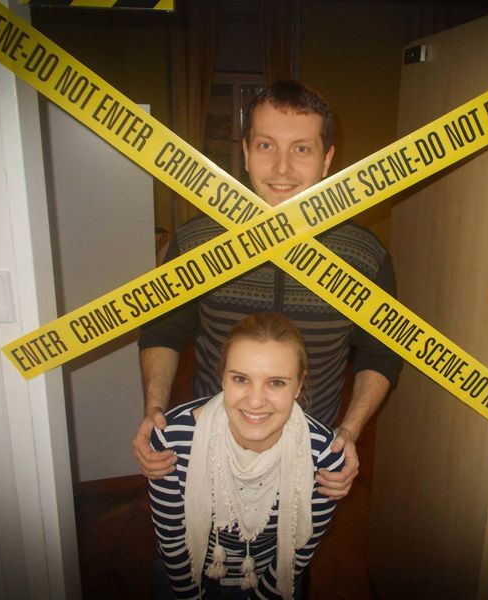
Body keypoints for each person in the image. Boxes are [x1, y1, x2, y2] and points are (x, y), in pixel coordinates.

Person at [135, 81, 402, 499]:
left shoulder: (364, 256)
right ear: (245, 152)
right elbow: (162, 331)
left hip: (311, 456)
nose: (281, 169)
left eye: (301, 149)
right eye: (265, 146)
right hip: (209, 448)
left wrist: (349, 432)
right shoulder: (196, 241)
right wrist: (154, 410)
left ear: (327, 159)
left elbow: (381, 353)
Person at [149, 313, 344, 599]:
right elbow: (171, 537)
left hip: (274, 582)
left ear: (299, 384)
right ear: (222, 377)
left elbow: (299, 549)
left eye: (276, 383)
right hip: (181, 578)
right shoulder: (173, 438)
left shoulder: (325, 456)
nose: (255, 401)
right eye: (240, 379)